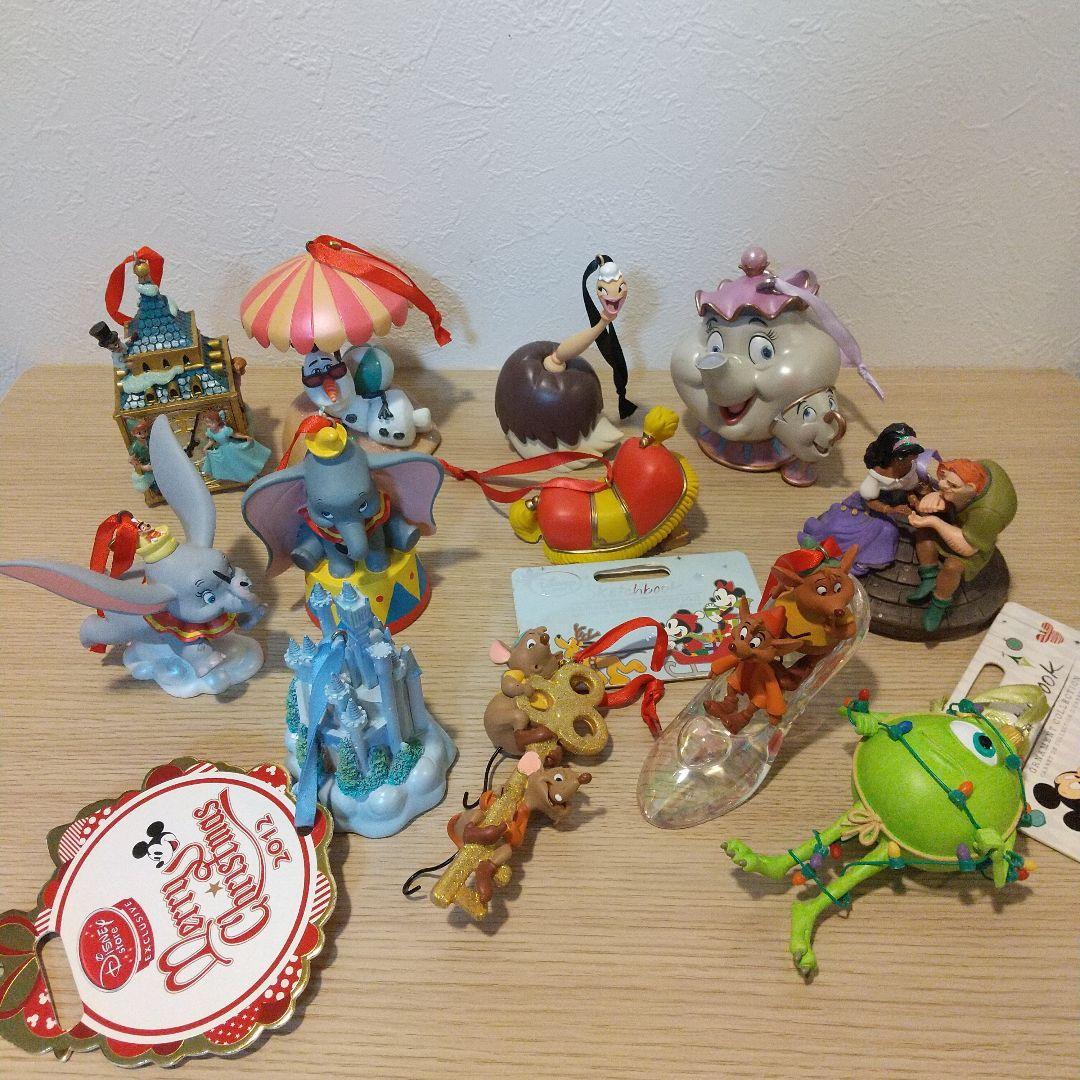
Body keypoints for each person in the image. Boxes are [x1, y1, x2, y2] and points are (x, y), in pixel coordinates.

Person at [798, 423, 927, 575]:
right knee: (880, 530)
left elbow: (909, 485)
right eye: (905, 456)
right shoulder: (876, 477)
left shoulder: (909, 467)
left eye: (913, 455)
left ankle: (873, 557)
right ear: (892, 457)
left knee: (889, 530)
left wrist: (912, 497)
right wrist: (891, 509)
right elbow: (869, 501)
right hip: (870, 507)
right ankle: (857, 558)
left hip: (894, 502)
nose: (911, 459)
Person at [906, 457, 1017, 632]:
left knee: (952, 567)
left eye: (952, 485)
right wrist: (940, 496)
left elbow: (967, 548)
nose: (942, 484)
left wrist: (934, 521)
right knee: (922, 531)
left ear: (971, 488)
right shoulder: (978, 473)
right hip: (959, 517)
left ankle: (939, 602)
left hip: (975, 540)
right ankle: (929, 576)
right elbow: (950, 489)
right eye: (943, 478)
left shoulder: (987, 513)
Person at [199, 411, 271, 484]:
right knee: (232, 466)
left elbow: (235, 435)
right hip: (222, 451)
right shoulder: (210, 432)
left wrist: (245, 437)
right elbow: (211, 441)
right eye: (207, 423)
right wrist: (205, 447)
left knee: (243, 461)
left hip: (232, 448)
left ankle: (253, 476)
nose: (209, 425)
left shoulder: (225, 430)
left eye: (212, 423)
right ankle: (244, 478)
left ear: (218, 422)